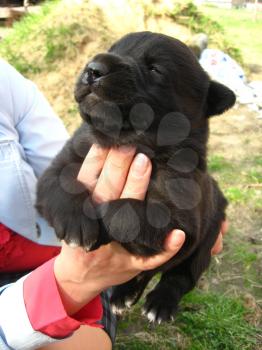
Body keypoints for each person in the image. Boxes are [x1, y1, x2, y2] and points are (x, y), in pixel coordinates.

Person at [0, 59, 226, 350]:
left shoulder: (6, 82)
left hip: (52, 257)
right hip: (58, 274)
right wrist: (70, 281)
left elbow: (65, 165)